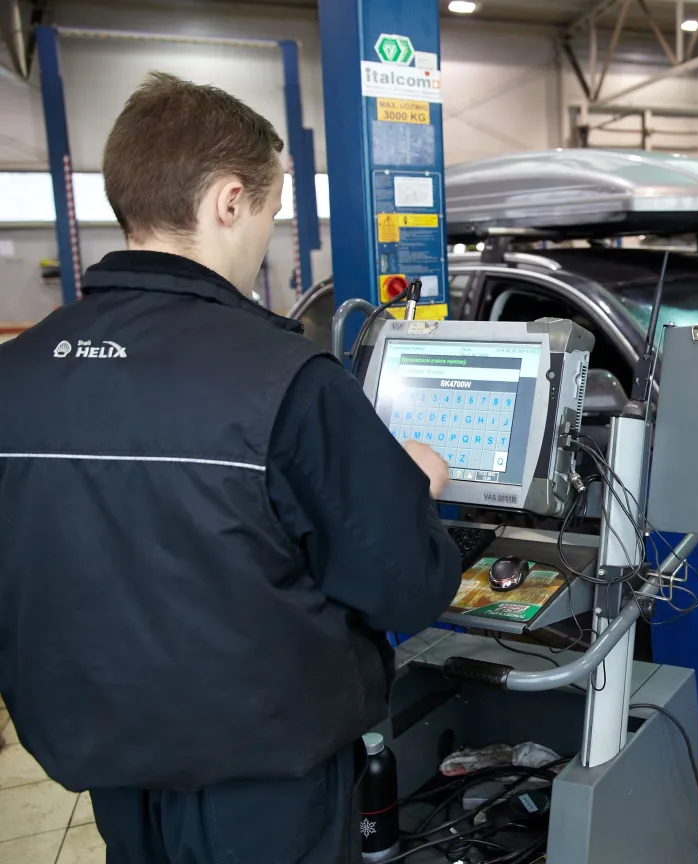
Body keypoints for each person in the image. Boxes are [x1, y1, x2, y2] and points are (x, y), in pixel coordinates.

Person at [0, 73, 462, 863]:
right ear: (227, 199)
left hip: (109, 768)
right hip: (267, 787)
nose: (268, 233)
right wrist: (413, 488)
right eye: (272, 208)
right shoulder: (286, 380)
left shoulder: (19, 373)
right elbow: (406, 585)